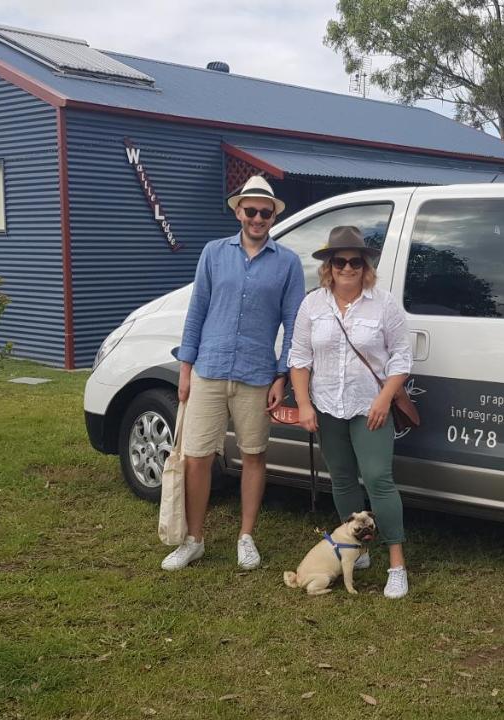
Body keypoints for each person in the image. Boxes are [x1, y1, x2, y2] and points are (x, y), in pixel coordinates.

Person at [162, 175, 305, 571]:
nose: (257, 218)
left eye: (265, 212)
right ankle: (194, 539)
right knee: (196, 457)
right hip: (208, 368)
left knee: (254, 455)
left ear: (272, 216)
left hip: (257, 375)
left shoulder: (288, 263)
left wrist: (281, 376)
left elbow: (293, 324)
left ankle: (246, 536)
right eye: (251, 210)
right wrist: (186, 369)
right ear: (239, 212)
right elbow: (197, 313)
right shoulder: (212, 253)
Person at [288, 226, 414, 599]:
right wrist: (304, 404)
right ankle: (356, 552)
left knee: (378, 479)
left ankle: (396, 564)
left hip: (369, 407)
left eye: (354, 261)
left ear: (365, 265)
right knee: (342, 479)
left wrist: (384, 398)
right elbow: (299, 357)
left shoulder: (384, 303)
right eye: (339, 261)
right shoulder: (313, 304)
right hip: (327, 405)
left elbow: (402, 357)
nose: (347, 267)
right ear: (328, 265)